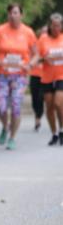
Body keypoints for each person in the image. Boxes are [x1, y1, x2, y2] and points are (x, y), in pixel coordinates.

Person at [0, 3, 38, 150]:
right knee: (1, 107)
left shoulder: (28, 32)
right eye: (10, 13)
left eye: (15, 13)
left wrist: (30, 65)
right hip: (2, 74)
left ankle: (12, 138)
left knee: (16, 106)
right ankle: (5, 126)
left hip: (20, 75)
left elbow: (36, 54)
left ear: (21, 15)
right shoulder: (0, 31)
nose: (12, 15)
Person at [36, 13, 63, 146]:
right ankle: (54, 134)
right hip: (47, 77)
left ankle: (62, 129)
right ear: (50, 26)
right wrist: (44, 59)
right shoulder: (43, 39)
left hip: (61, 76)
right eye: (54, 25)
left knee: (58, 104)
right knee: (49, 107)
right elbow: (36, 57)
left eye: (58, 25)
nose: (56, 28)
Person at [29, 26, 47, 131]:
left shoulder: (51, 44)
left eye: (46, 32)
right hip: (35, 74)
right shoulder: (34, 44)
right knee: (34, 98)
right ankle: (37, 114)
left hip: (46, 76)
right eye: (43, 32)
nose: (45, 34)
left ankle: (38, 118)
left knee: (41, 97)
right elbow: (29, 56)